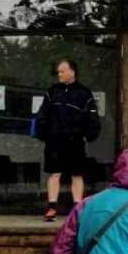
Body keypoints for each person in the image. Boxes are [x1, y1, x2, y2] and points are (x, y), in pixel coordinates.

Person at [35, 59, 101, 223]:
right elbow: (42, 114)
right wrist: (45, 133)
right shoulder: (52, 91)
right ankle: (51, 209)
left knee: (76, 174)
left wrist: (88, 135)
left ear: (72, 72)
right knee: (54, 174)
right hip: (55, 140)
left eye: (62, 71)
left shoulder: (84, 93)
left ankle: (77, 211)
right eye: (58, 72)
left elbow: (92, 117)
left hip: (75, 140)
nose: (59, 74)